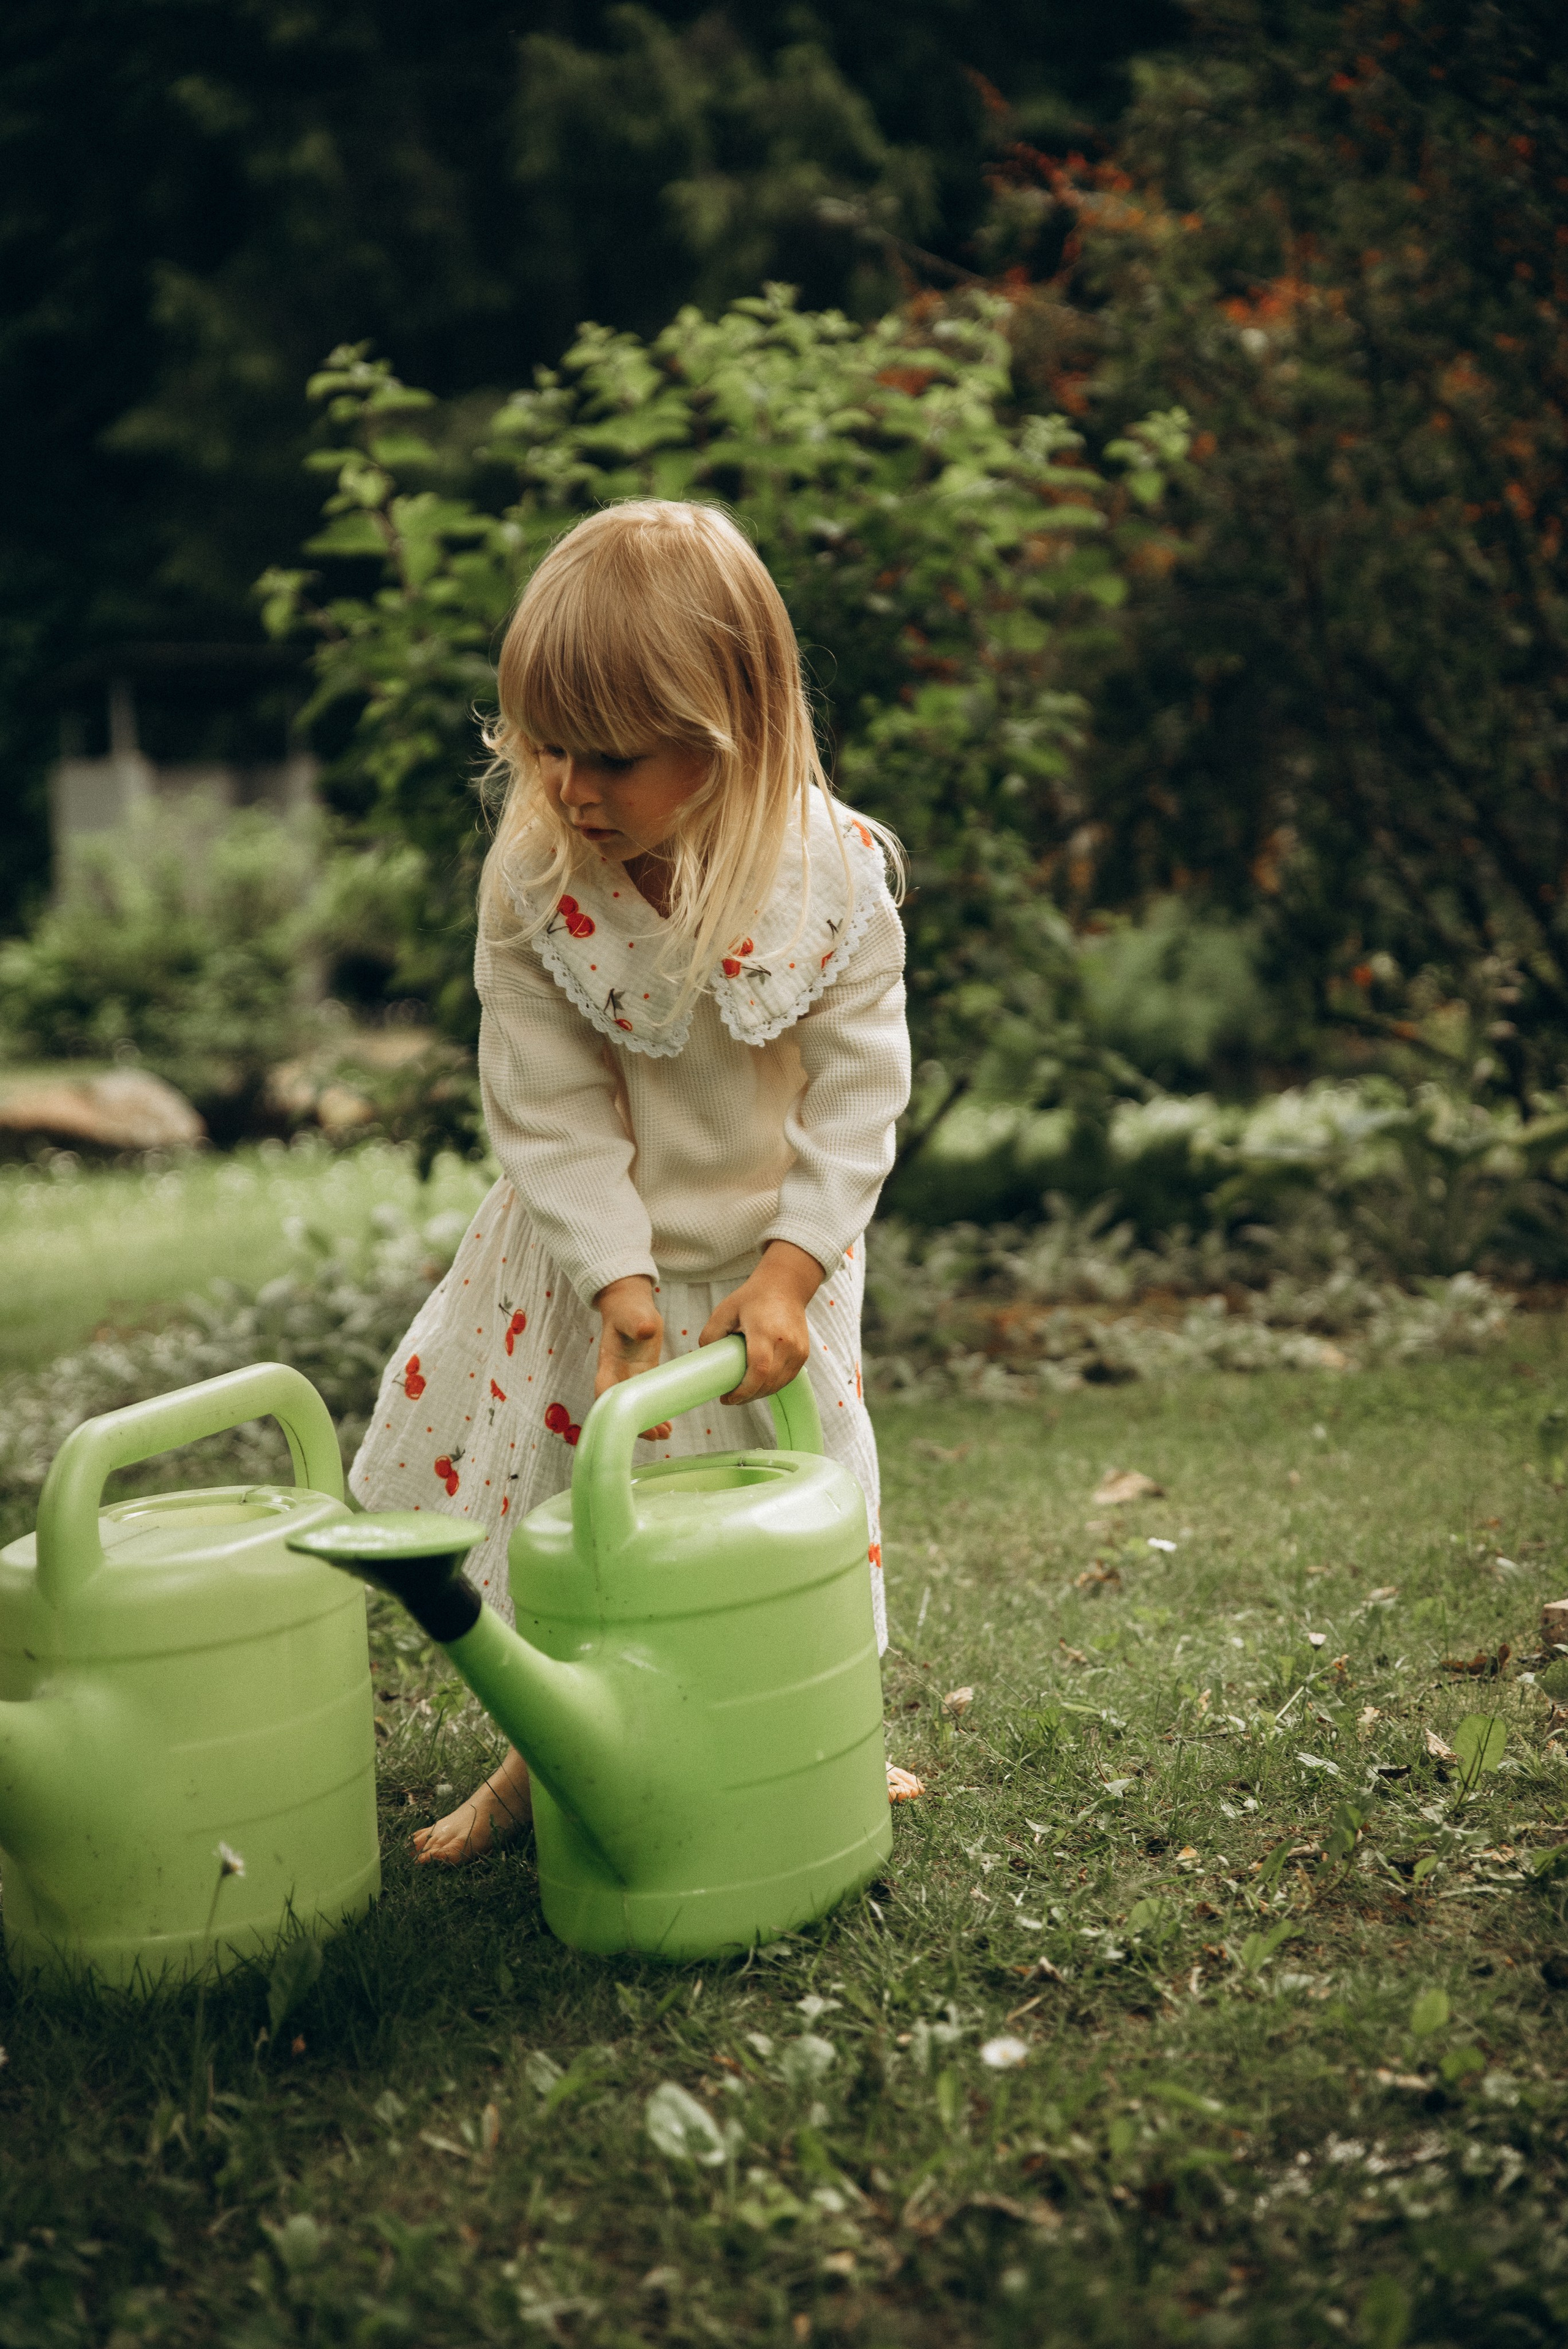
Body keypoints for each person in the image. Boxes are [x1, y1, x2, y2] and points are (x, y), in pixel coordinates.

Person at [350, 497, 923, 1863]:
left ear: (730, 736)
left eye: (607, 757)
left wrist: (792, 1270)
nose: (566, 789)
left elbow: (857, 1094)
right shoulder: (538, 879)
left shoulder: (828, 877)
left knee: (796, 1492)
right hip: (585, 1265)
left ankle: (817, 1715)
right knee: (580, 1515)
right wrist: (617, 1286)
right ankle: (537, 1755)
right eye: (541, 749)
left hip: (776, 1260)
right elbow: (544, 1106)